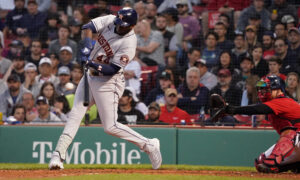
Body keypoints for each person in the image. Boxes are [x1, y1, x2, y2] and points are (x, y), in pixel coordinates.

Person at [48, 8, 162, 170]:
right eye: (118, 22)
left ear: (132, 26)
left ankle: (149, 145)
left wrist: (91, 63)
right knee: (75, 114)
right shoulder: (110, 20)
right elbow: (87, 28)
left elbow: (112, 69)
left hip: (109, 82)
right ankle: (58, 155)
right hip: (90, 76)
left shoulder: (129, 43)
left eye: (123, 25)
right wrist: (87, 46)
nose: (119, 26)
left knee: (110, 127)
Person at [215, 75, 300, 173]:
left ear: (278, 89)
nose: (262, 91)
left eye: (266, 89)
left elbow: (258, 109)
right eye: (261, 89)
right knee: (261, 162)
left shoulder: (283, 101)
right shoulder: (275, 102)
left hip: (296, 137)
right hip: (297, 142)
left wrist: (232, 109)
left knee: (290, 133)